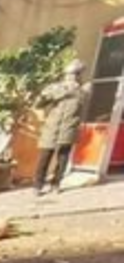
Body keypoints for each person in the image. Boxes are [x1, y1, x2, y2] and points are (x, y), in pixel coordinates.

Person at [34, 60, 88, 196]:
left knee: (63, 159)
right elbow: (38, 104)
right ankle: (37, 185)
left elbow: (81, 101)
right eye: (70, 74)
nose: (73, 77)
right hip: (51, 127)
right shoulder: (55, 88)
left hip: (68, 129)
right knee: (44, 158)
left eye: (77, 74)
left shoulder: (83, 90)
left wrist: (75, 90)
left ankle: (56, 184)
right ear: (65, 75)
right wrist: (51, 94)